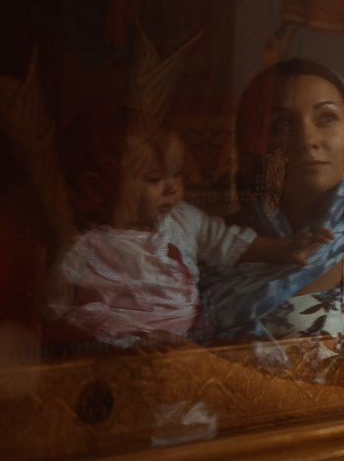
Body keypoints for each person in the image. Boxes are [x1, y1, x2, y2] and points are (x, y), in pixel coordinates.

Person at [44, 108, 323, 346]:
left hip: (190, 339)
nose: (172, 187)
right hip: (123, 352)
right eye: (154, 178)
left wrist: (286, 249)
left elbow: (230, 242)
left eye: (177, 173)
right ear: (96, 187)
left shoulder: (183, 218)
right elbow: (55, 312)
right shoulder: (86, 248)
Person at [197, 59, 344, 343]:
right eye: (282, 124)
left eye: (326, 118)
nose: (307, 140)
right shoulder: (208, 239)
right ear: (255, 143)